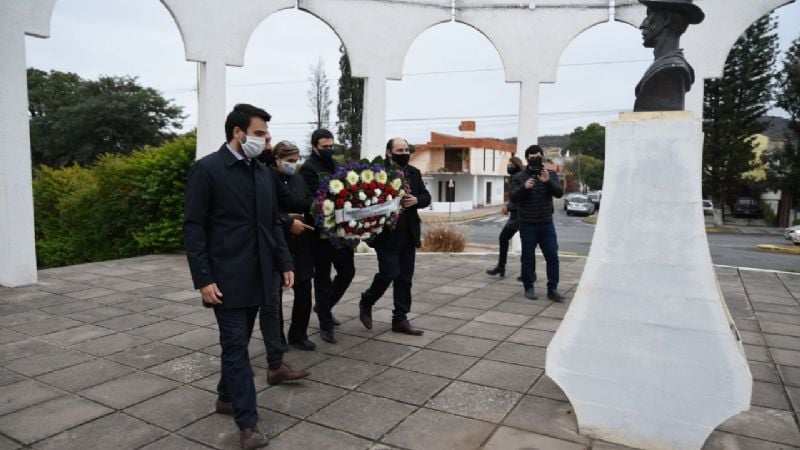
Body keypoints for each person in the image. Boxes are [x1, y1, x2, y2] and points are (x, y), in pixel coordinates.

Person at [184, 104, 296, 449]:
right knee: (236, 347)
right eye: (260, 133)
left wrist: (285, 263)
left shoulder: (263, 174)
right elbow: (194, 227)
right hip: (225, 280)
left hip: (261, 276)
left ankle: (224, 397)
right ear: (238, 132)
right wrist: (203, 278)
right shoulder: (207, 170)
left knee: (239, 344)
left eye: (267, 135)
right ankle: (248, 424)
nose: (266, 140)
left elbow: (272, 224)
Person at [359, 138, 431, 335]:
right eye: (400, 150)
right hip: (386, 235)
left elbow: (426, 197)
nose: (405, 153)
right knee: (389, 273)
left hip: (408, 234)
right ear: (389, 153)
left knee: (405, 278)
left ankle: (400, 319)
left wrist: (417, 200)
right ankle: (367, 300)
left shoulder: (413, 173)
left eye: (407, 149)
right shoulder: (377, 173)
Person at [299, 129, 355, 344]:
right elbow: (314, 198)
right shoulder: (308, 169)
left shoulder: (337, 166)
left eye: (332, 146)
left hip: (341, 234)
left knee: (348, 272)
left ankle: (324, 306)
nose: (330, 150)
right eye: (325, 147)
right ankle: (325, 323)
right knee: (322, 279)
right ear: (314, 146)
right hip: (320, 235)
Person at [271, 141, 317, 351]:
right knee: (276, 296)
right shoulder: (268, 177)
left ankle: (298, 334)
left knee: (305, 291)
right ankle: (277, 338)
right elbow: (266, 210)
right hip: (279, 242)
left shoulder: (298, 178)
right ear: (277, 159)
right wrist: (287, 221)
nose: (293, 164)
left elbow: (308, 201)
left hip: (302, 242)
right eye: (289, 161)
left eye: (296, 160)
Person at [510, 145, 565, 302]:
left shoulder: (550, 174)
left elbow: (559, 193)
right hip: (527, 224)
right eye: (532, 157)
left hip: (546, 223)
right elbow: (513, 197)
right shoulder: (519, 177)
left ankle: (552, 289)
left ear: (542, 157)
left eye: (538, 157)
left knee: (552, 256)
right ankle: (529, 287)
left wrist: (547, 182)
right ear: (527, 158)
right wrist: (524, 187)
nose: (535, 159)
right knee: (528, 257)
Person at [634, 0, 704, 112]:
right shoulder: (666, 66)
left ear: (665, 19)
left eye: (649, 16)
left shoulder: (672, 69)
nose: (642, 25)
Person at [486, 156, 536, 283]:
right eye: (508, 164)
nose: (508, 167)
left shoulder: (519, 177)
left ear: (516, 165)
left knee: (526, 244)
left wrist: (508, 207)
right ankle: (502, 268)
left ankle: (528, 273)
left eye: (510, 164)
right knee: (507, 239)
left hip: (522, 216)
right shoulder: (515, 177)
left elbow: (519, 197)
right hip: (516, 216)